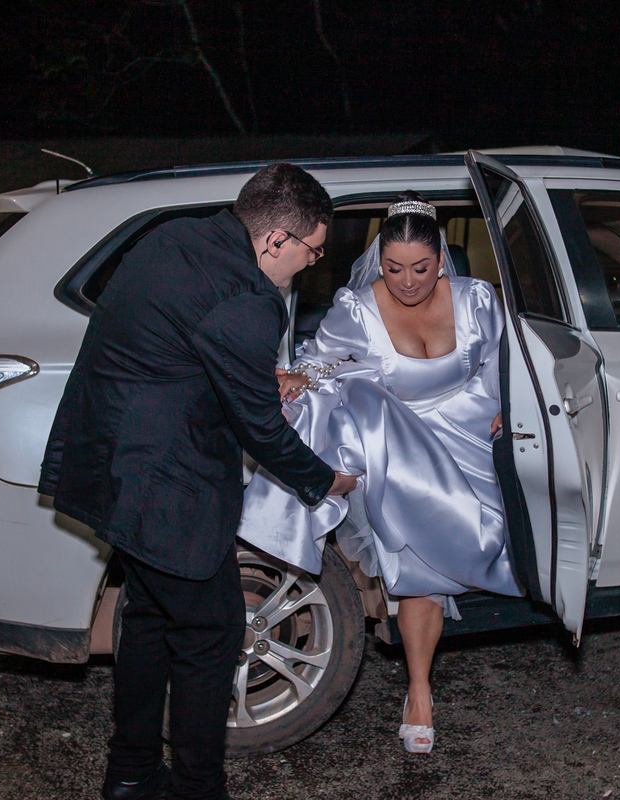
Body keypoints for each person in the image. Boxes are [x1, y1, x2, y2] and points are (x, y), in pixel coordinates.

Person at [39, 162, 357, 800]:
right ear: (276, 239)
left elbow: (175, 343)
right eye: (312, 250)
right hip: (165, 487)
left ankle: (130, 774)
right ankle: (197, 786)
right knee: (213, 630)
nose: (310, 264)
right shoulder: (249, 299)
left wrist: (251, 376)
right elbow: (260, 429)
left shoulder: (174, 239)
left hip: (109, 464)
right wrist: (324, 480)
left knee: (150, 619)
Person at [238, 191, 522, 755]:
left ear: (441, 258)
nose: (407, 281)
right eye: (393, 268)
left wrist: (509, 407)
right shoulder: (359, 308)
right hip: (400, 445)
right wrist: (296, 378)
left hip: (470, 437)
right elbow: (327, 361)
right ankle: (419, 690)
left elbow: (504, 360)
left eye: (420, 268)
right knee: (416, 560)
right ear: (379, 261)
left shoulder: (477, 300)